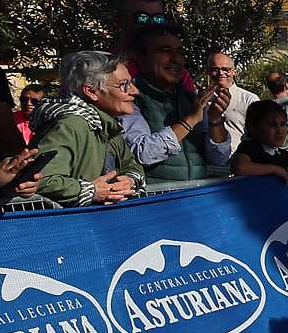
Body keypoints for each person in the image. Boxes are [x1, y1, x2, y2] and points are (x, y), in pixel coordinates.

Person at [30, 51, 144, 207]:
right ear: (91, 91)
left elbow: (132, 166)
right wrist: (90, 191)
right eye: (124, 85)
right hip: (70, 226)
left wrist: (129, 180)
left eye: (131, 83)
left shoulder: (106, 125)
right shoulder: (70, 125)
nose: (134, 91)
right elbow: (38, 179)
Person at [125, 20, 231, 184]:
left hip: (195, 200)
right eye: (165, 50)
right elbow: (141, 153)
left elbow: (219, 159)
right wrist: (190, 121)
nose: (176, 59)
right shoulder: (128, 99)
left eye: (180, 52)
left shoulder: (190, 99)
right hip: (156, 203)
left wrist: (215, 120)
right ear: (140, 57)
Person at [229, 100, 288, 191]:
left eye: (283, 124)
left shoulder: (279, 154)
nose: (279, 131)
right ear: (253, 128)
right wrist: (275, 169)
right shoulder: (249, 147)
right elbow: (239, 167)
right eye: (272, 125)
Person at [205, 51, 259, 150]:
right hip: (208, 161)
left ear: (234, 71)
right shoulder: (202, 100)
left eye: (226, 69)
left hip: (239, 159)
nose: (221, 73)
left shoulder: (249, 99)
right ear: (208, 72)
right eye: (215, 69)